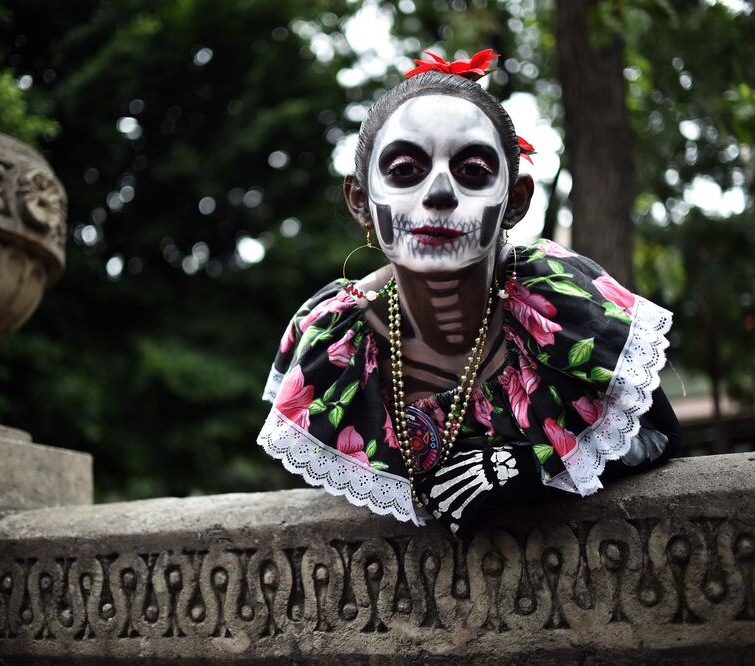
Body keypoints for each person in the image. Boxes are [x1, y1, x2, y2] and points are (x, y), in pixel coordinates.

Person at [257, 49, 680, 540]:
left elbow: (659, 436)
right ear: (359, 200)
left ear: (515, 199)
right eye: (404, 169)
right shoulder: (333, 339)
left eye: (473, 170)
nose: (439, 192)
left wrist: (528, 472)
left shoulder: (558, 303)